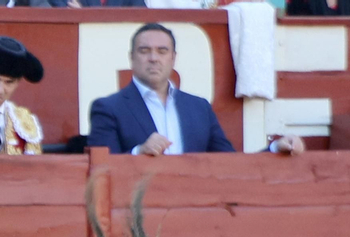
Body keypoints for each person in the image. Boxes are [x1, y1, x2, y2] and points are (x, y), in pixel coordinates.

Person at [88, 24, 304, 156]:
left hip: (195, 211)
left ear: (173, 59)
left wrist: (276, 148)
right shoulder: (108, 108)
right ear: (132, 58)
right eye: (144, 51)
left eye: (162, 51)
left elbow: (229, 163)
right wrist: (139, 152)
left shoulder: (198, 107)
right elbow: (101, 169)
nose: (153, 58)